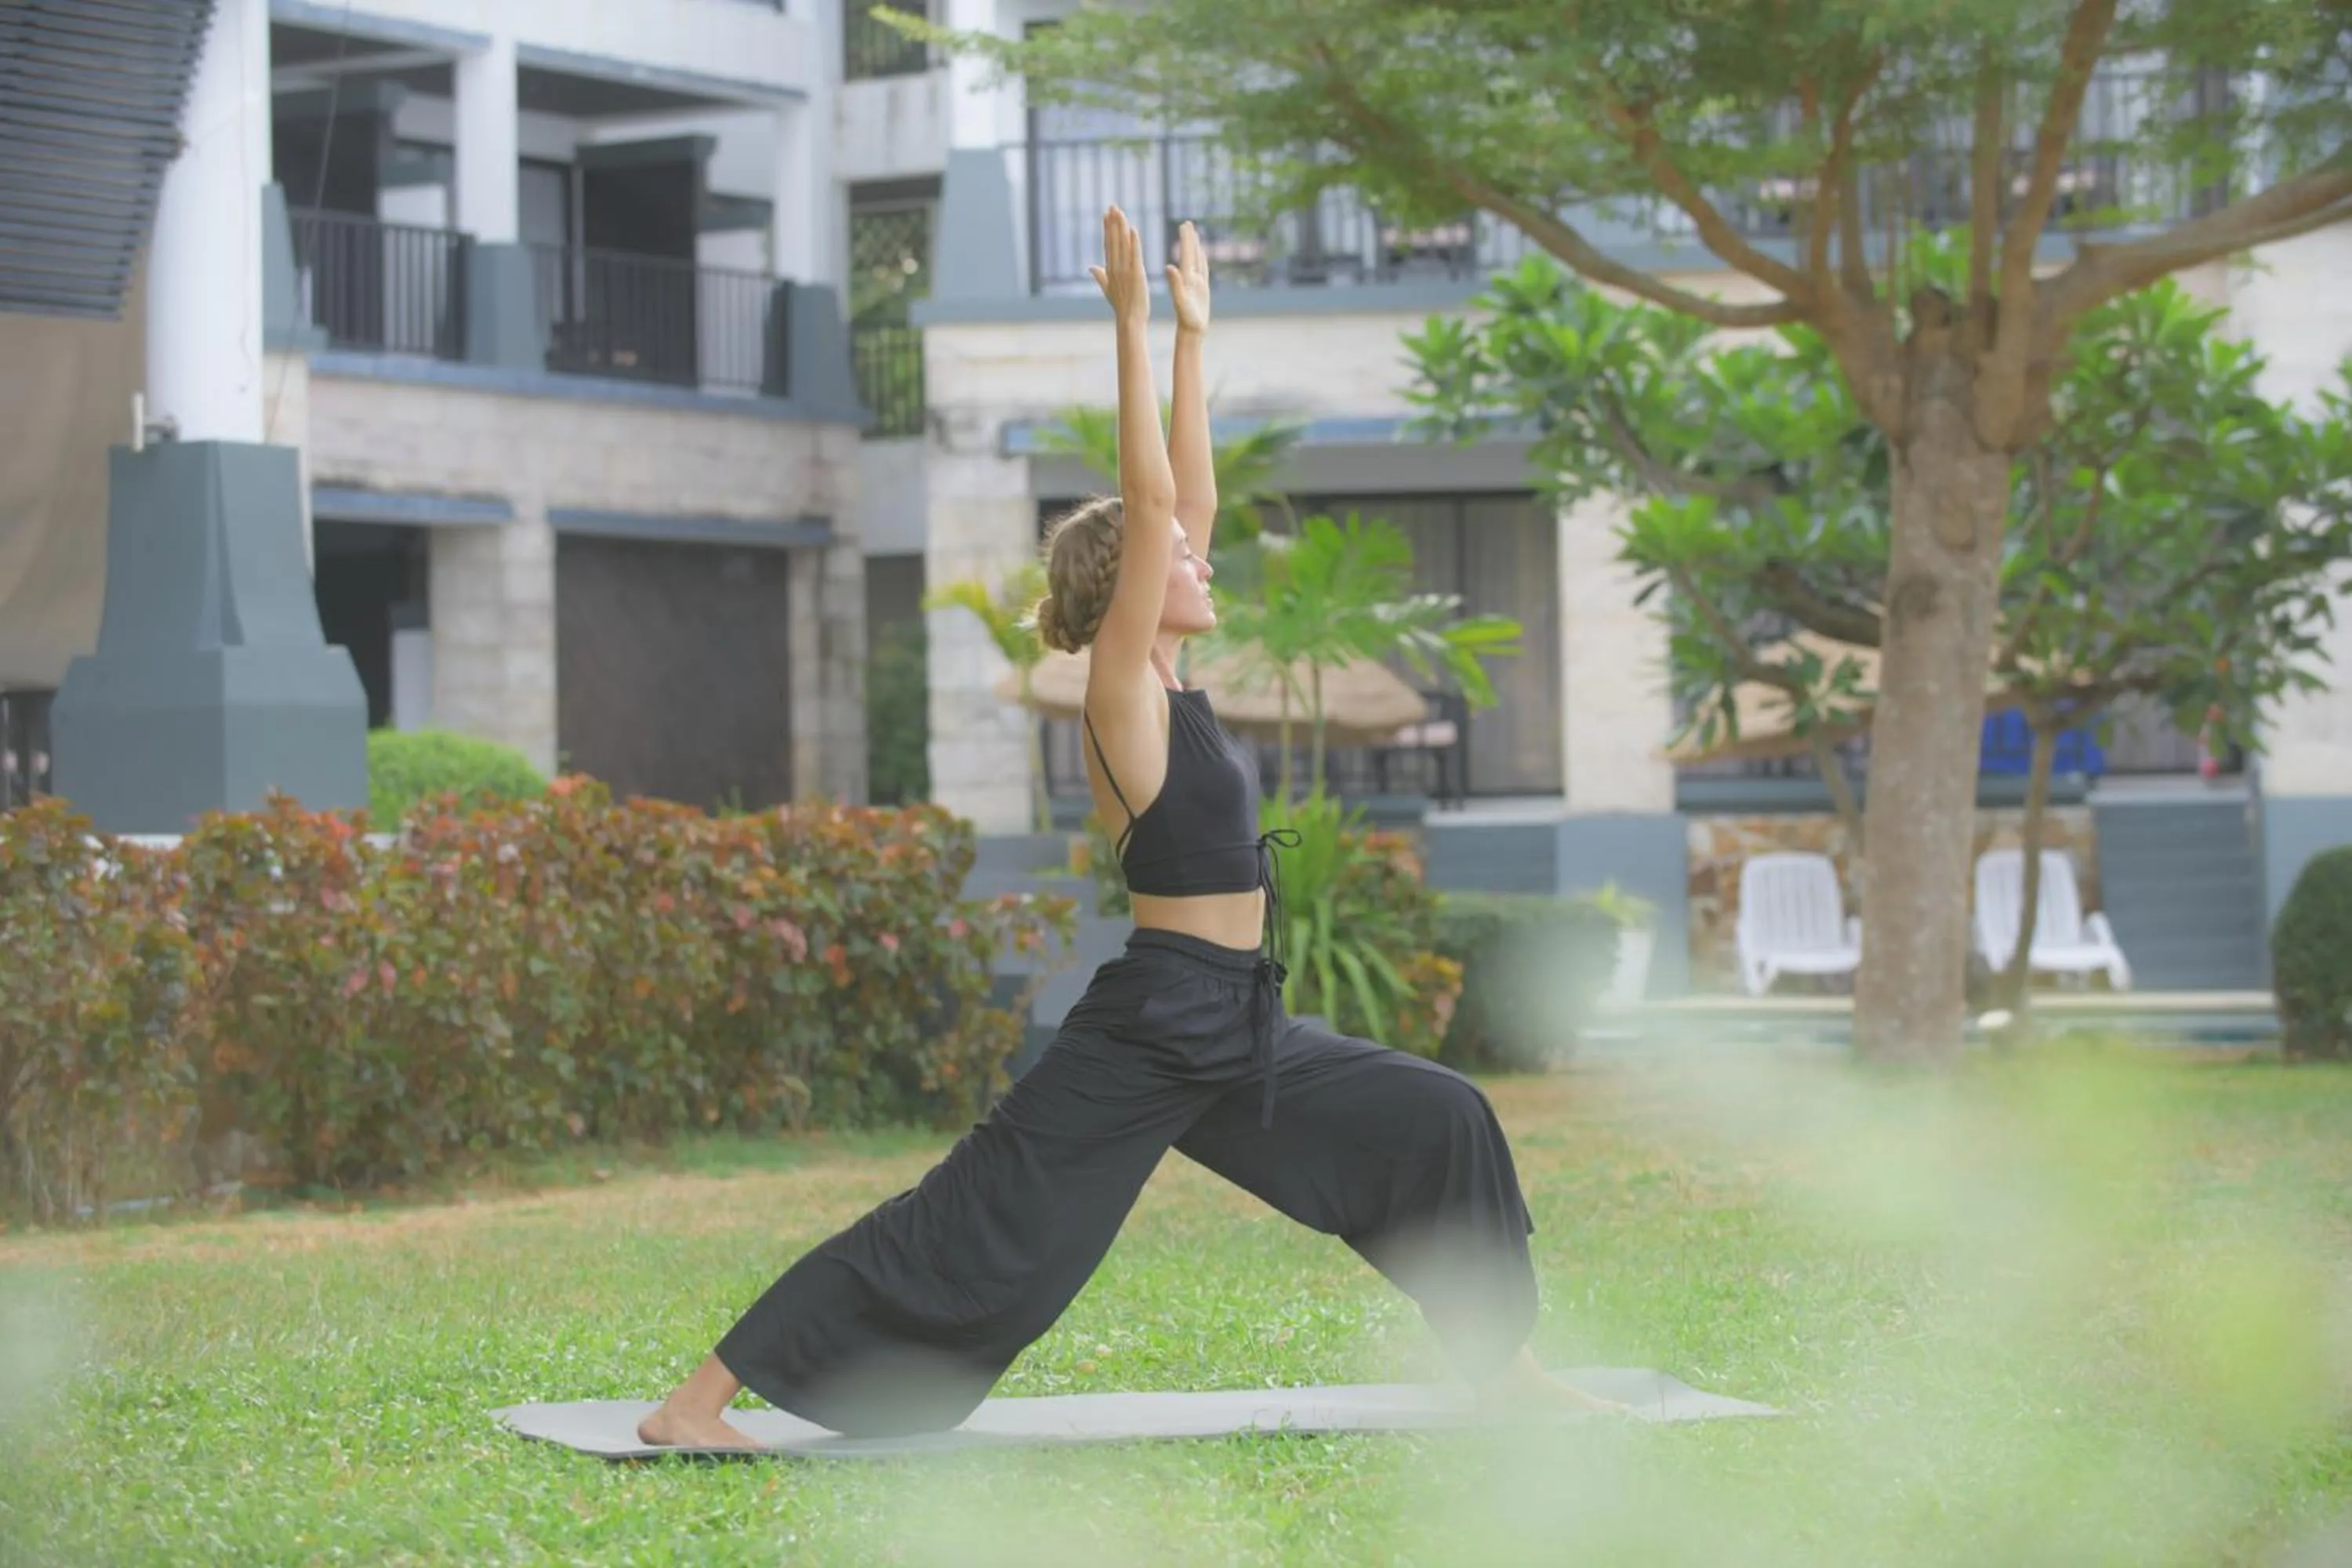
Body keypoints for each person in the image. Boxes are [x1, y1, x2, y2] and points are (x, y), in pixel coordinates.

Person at [637, 208, 1622, 1450]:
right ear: (1138, 585)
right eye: (1184, 563)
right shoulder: (1121, 689)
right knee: (981, 1218)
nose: (1209, 567)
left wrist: (1199, 338)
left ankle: (1507, 1374)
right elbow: (1156, 504)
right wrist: (1127, 325)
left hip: (1241, 1022)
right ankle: (696, 1402)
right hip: (1158, 1023)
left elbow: (1184, 499)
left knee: (1441, 1120)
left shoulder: (1173, 682)